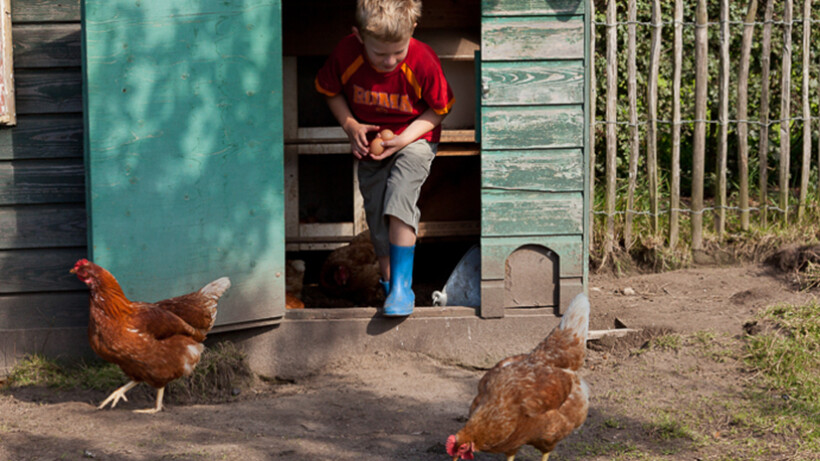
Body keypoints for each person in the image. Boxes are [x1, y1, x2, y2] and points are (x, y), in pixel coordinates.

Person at [315, 0, 454, 316]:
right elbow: (329, 89)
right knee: (377, 215)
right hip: (373, 144)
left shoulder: (423, 60)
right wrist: (351, 126)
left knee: (399, 198)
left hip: (415, 138)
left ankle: (403, 288)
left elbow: (440, 109)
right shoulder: (346, 54)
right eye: (380, 54)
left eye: (398, 52)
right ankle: (390, 286)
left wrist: (405, 138)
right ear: (359, 36)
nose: (390, 61)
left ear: (412, 32)